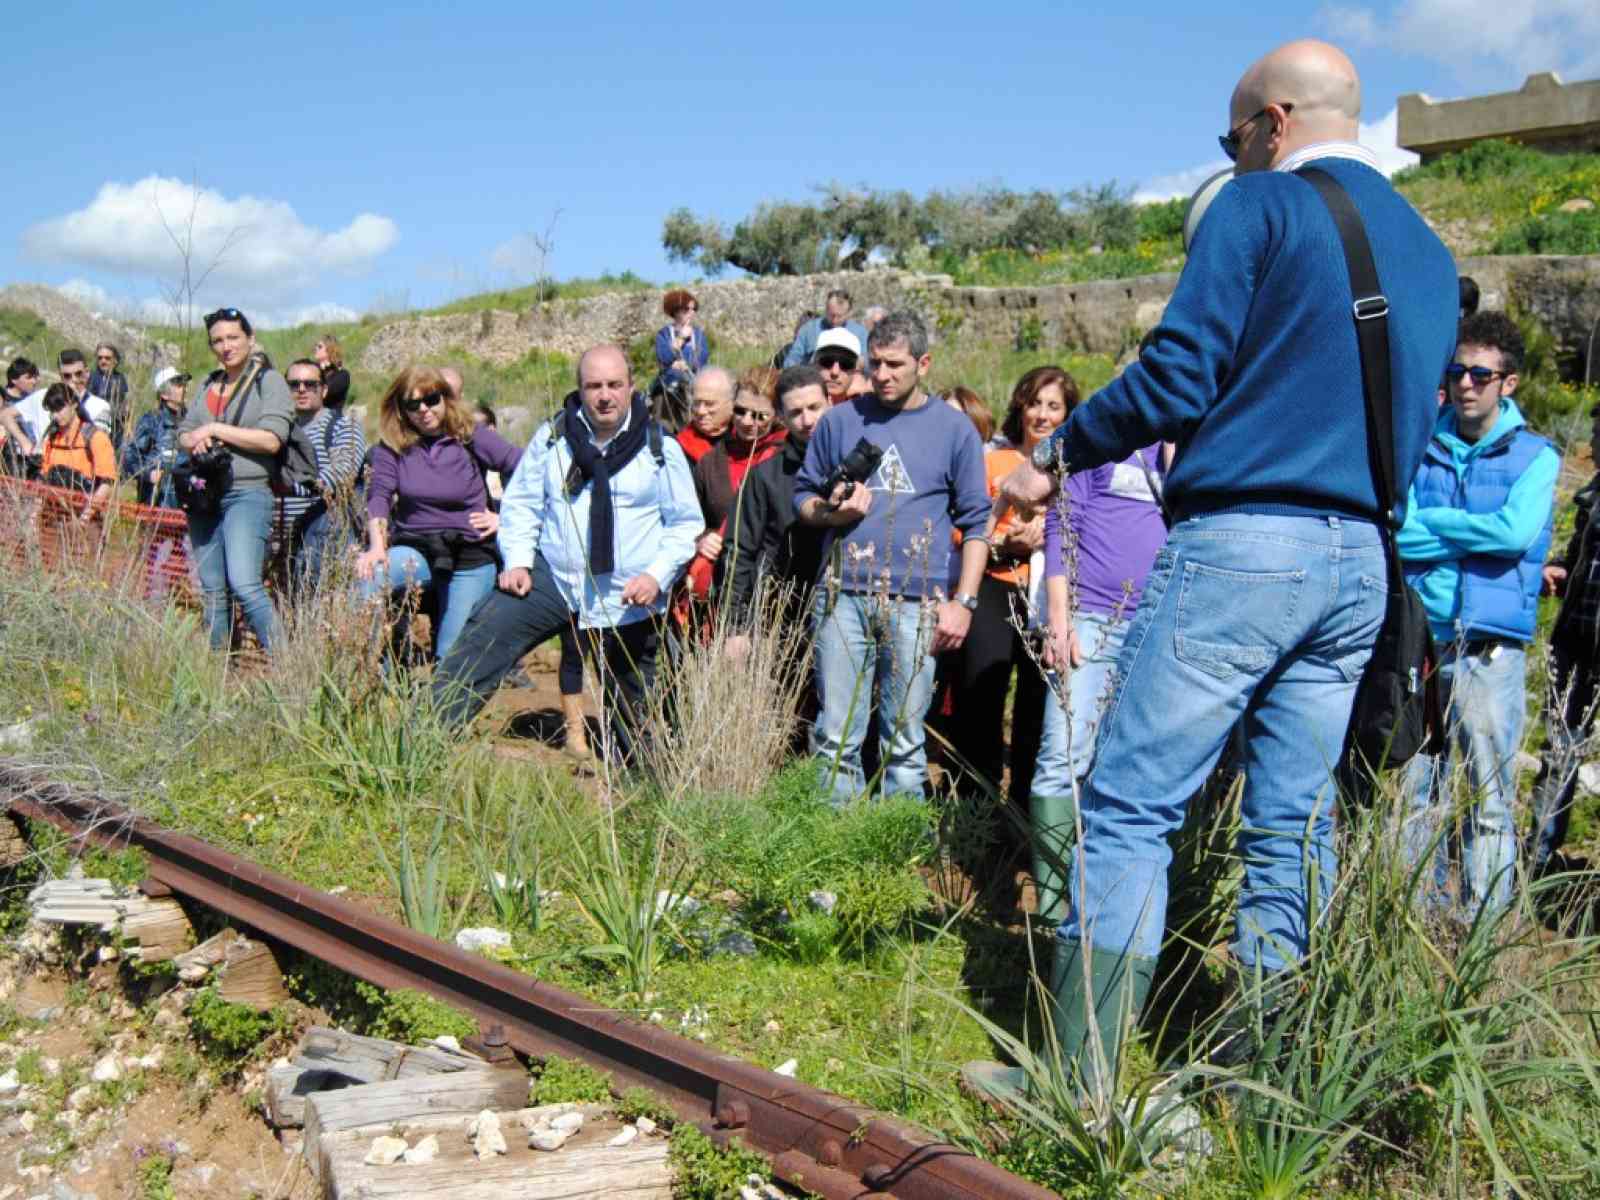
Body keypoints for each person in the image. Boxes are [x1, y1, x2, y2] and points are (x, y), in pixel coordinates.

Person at [976, 39, 1458, 1101]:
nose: (1233, 154)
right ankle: (1268, 1083)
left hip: (1247, 544)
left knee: (1129, 805)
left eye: (1233, 136)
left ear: (1273, 120)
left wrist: (1052, 461)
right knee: (1290, 822)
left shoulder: (1259, 207)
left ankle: (1078, 1086)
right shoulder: (1426, 248)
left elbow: (1178, 375)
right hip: (1362, 564)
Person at [431, 345, 701, 761]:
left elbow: (684, 523)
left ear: (631, 387)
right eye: (594, 386)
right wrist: (518, 561)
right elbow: (522, 502)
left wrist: (656, 575)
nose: (604, 395)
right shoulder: (554, 436)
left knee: (633, 711)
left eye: (614, 385)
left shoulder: (657, 446)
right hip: (554, 577)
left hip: (627, 593)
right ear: (580, 388)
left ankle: (645, 793)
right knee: (482, 641)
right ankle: (417, 741)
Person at [794, 310, 991, 802]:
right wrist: (833, 514)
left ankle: (898, 853)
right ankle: (835, 847)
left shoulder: (954, 430)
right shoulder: (840, 420)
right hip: (842, 595)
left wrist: (962, 602)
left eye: (895, 364)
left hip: (917, 601)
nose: (882, 375)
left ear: (923, 363)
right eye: (876, 363)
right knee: (835, 734)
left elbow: (977, 524)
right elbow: (803, 500)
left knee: (904, 739)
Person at [1398, 311, 1557, 915]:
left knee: (1486, 795)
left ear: (1508, 383)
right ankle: (1415, 923)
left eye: (1481, 375)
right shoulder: (1420, 445)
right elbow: (1400, 532)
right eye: (1458, 371)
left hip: (1487, 649)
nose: (1467, 384)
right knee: (1414, 791)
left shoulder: (1536, 456)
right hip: (1418, 642)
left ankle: (1480, 931)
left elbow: (1516, 533)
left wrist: (1435, 526)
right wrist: (1471, 534)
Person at [1029, 383, 1167, 927]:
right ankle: (1051, 907)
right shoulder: (1104, 440)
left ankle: (1104, 907)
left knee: (1124, 771)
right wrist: (1059, 623)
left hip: (1153, 628)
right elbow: (1062, 527)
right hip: (1090, 621)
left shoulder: (1189, 450)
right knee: (1060, 762)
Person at [947, 371, 1070, 830]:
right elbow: (967, 526)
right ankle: (972, 811)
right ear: (1020, 407)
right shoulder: (994, 462)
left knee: (1037, 706)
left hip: (1046, 594)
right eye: (1035, 404)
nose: (1042, 414)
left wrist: (1047, 537)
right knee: (981, 694)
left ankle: (1022, 814)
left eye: (1054, 407)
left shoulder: (1075, 468)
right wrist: (1006, 543)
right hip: (996, 584)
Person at [357, 365, 520, 663]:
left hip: (469, 551)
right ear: (402, 409)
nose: (424, 410)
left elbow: (524, 468)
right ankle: (365, 675)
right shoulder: (393, 446)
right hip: (416, 547)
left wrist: (504, 517)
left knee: (451, 654)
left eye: (431, 399)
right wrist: (377, 546)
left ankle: (443, 706)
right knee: (370, 575)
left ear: (445, 398)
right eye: (412, 404)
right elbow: (379, 495)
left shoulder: (471, 436)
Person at [178, 308, 294, 655]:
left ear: (250, 337)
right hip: (204, 496)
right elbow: (184, 431)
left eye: (233, 337)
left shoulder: (268, 381)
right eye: (218, 340)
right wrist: (194, 439)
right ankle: (217, 675)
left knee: (244, 584)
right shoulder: (208, 383)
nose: (225, 346)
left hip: (247, 492)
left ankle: (289, 666)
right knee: (212, 589)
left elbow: (272, 439)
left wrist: (214, 429)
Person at [1531, 400, 1600, 876]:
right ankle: (1536, 859)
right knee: (1559, 751)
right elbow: (1581, 554)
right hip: (1576, 640)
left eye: (1598, 435)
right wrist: (1559, 564)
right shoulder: (1593, 494)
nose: (1591, 444)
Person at [726, 364, 830, 649]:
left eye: (814, 407)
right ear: (781, 416)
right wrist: (736, 626)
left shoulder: (855, 464)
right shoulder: (764, 477)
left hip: (843, 617)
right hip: (782, 620)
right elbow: (739, 551)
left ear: (830, 402)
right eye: (796, 412)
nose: (807, 420)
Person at [689, 366, 785, 587]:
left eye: (759, 416)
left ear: (777, 415)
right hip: (722, 579)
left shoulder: (785, 458)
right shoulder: (712, 461)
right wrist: (701, 540)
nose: (746, 421)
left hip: (772, 582)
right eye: (741, 411)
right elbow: (688, 520)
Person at [280, 359, 367, 590]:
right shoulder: (278, 431)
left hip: (326, 537)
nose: (301, 389)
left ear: (324, 389)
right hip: (283, 540)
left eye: (310, 384)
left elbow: (343, 472)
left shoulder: (343, 425)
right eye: (294, 384)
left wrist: (292, 488)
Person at [2, 350, 112, 455]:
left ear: (87, 373)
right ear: (60, 376)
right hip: (41, 464)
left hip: (77, 467)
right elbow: (5, 415)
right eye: (67, 376)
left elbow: (99, 444)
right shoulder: (42, 395)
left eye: (78, 374)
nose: (73, 379)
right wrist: (25, 443)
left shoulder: (100, 406)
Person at [37, 382, 116, 512]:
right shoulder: (52, 438)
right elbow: (43, 479)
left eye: (59, 408)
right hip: (51, 515)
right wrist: (34, 515)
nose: (56, 416)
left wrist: (84, 519)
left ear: (74, 404)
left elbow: (106, 483)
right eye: (52, 411)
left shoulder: (95, 437)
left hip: (85, 514)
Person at [122, 367, 191, 508]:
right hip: (155, 505)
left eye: (184, 384)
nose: (184, 388)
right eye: (178, 384)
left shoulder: (192, 420)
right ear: (164, 394)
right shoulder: (151, 421)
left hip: (188, 504)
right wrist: (149, 474)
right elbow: (129, 457)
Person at [784, 289, 870, 368]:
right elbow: (792, 358)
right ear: (826, 309)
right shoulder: (809, 329)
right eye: (831, 315)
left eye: (839, 316)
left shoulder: (860, 333)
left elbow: (867, 362)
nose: (834, 320)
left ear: (849, 313)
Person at [676, 366, 734, 465]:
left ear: (731, 404)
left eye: (709, 404)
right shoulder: (680, 447)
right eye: (696, 403)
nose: (700, 411)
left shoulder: (747, 440)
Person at [654, 290, 708, 390]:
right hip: (668, 381)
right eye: (687, 309)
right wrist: (681, 337)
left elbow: (702, 358)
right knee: (657, 395)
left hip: (694, 380)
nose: (692, 313)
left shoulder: (698, 334)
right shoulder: (664, 334)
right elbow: (663, 358)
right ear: (676, 311)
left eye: (694, 309)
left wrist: (687, 365)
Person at [2, 358, 40, 476]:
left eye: (35, 377)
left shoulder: (33, 399)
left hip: (32, 457)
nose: (34, 381)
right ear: (14, 379)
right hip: (9, 459)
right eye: (28, 377)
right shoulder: (3, 399)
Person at [90, 343, 130, 447]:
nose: (103, 361)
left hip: (116, 429)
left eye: (107, 358)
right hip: (96, 427)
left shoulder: (120, 378)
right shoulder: (92, 378)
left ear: (115, 360)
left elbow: (125, 403)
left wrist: (128, 426)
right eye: (100, 358)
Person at [814, 329, 863, 407]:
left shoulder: (864, 407)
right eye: (827, 361)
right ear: (814, 364)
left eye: (846, 363)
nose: (835, 372)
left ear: (855, 370)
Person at [313, 334, 351, 412]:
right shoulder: (312, 370)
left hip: (331, 419)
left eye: (319, 347)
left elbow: (323, 393)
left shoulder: (342, 374)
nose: (315, 348)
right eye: (316, 346)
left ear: (329, 349)